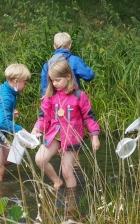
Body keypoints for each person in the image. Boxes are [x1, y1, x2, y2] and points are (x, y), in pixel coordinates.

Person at [32, 59, 100, 190]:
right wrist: (37, 128)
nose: (54, 83)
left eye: (58, 80)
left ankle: (72, 201)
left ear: (68, 76)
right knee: (40, 159)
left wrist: (95, 136)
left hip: (71, 138)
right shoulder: (50, 96)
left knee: (67, 171)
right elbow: (43, 117)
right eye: (52, 80)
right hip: (54, 136)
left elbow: (89, 116)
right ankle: (57, 182)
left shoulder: (79, 95)